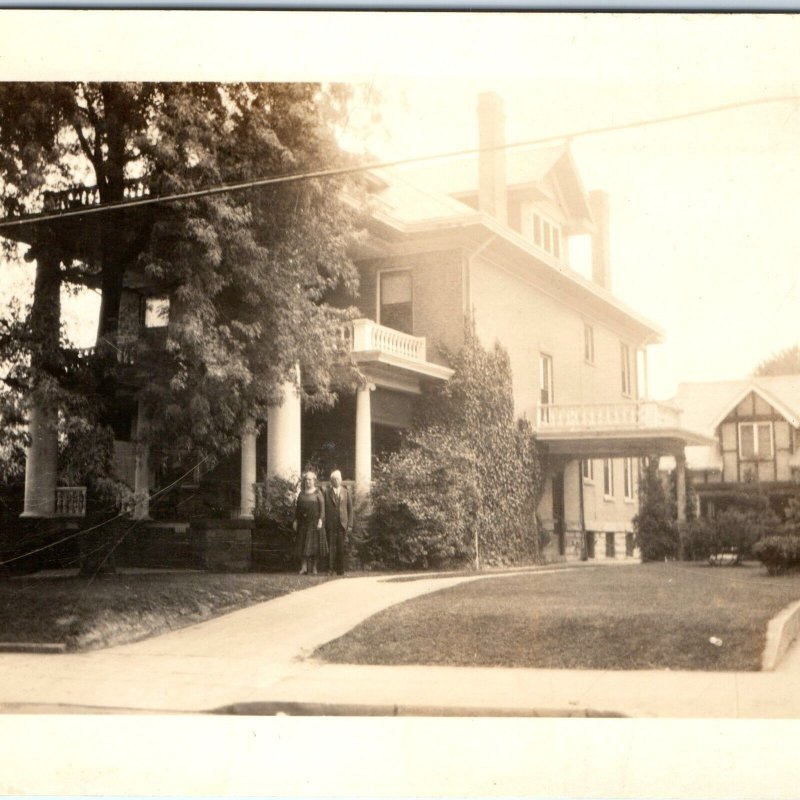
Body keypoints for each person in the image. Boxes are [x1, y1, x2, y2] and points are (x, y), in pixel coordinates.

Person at [293, 471, 327, 575]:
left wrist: (320, 520)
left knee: (314, 546)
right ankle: (304, 567)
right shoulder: (301, 493)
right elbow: (297, 509)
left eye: (310, 480)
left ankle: (314, 568)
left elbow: (322, 508)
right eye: (306, 479)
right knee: (302, 545)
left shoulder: (318, 493)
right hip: (303, 523)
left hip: (314, 523)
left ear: (314, 481)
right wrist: (295, 520)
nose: (308, 482)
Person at [323, 469, 353, 576]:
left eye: (337, 479)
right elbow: (324, 509)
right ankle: (330, 569)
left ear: (340, 480)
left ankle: (340, 570)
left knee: (340, 547)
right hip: (331, 524)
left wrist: (349, 524)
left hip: (342, 524)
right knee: (330, 547)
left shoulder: (346, 492)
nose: (335, 481)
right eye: (333, 479)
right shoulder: (326, 493)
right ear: (331, 481)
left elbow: (350, 510)